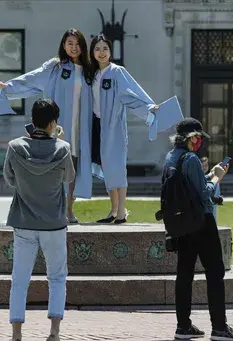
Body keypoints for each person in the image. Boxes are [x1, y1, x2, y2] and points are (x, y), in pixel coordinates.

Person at [0, 28, 92, 224]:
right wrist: (9, 87)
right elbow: (32, 78)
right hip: (58, 122)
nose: (74, 48)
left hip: (81, 123)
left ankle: (70, 210)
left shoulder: (89, 70)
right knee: (56, 166)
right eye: (69, 43)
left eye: (77, 44)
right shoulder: (55, 66)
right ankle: (57, 209)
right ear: (63, 45)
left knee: (74, 165)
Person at [163, 118, 233, 340]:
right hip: (201, 221)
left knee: (184, 274)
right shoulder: (190, 158)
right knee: (215, 271)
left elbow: (191, 185)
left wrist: (208, 175)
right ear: (189, 138)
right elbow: (204, 193)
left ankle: (183, 326)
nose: (200, 141)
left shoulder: (171, 157)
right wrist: (217, 177)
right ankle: (219, 327)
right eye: (197, 137)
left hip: (181, 223)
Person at [3, 99, 75, 341]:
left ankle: (16, 334)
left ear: (32, 120)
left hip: (23, 221)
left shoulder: (14, 147)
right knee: (56, 277)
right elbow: (68, 178)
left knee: (19, 279)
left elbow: (10, 180)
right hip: (54, 222)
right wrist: (57, 139)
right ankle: (54, 332)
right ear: (53, 122)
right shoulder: (63, 148)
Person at [88, 34, 159, 224]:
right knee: (107, 167)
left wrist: (149, 106)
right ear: (92, 52)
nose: (101, 53)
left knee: (117, 167)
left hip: (114, 125)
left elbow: (133, 92)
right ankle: (113, 210)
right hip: (96, 125)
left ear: (110, 52)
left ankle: (121, 212)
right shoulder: (93, 75)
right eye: (97, 49)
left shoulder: (117, 72)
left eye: (105, 49)